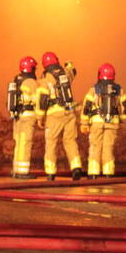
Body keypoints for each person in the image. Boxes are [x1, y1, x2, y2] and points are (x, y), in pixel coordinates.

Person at [37, 52, 84, 181]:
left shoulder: (45, 78)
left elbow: (42, 98)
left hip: (54, 114)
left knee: (51, 143)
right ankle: (76, 168)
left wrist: (40, 117)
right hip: (69, 112)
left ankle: (51, 173)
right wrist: (69, 65)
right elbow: (73, 71)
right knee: (70, 141)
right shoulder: (65, 73)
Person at [80, 63, 126, 178]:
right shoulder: (119, 90)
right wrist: (121, 119)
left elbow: (86, 106)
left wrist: (84, 123)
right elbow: (125, 107)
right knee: (108, 147)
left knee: (95, 146)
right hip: (112, 123)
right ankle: (108, 173)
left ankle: (93, 173)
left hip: (96, 122)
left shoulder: (94, 89)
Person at [8, 56, 40, 179]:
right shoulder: (31, 82)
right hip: (28, 116)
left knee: (19, 143)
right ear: (31, 68)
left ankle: (16, 170)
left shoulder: (16, 80)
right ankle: (23, 172)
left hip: (18, 116)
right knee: (26, 143)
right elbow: (39, 99)